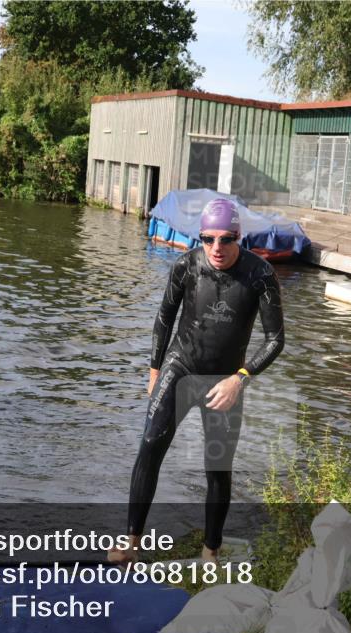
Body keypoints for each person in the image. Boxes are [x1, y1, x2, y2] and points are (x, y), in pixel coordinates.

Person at [110, 198, 285, 564]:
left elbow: (275, 340)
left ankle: (211, 549)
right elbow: (163, 319)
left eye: (226, 239)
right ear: (200, 238)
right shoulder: (186, 266)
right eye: (208, 239)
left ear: (240, 236)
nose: (216, 248)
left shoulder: (260, 275)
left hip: (225, 380)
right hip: (181, 367)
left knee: (217, 467)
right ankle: (131, 541)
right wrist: (155, 371)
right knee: (149, 447)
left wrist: (241, 378)